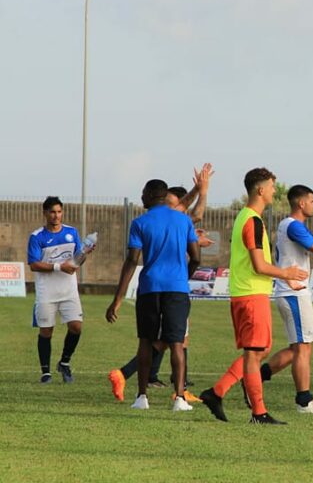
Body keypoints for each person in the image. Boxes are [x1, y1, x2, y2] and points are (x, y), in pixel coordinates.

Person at [198, 167, 308, 424]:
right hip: (250, 295)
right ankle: (257, 412)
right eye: (271, 186)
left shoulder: (245, 217)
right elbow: (259, 265)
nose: (274, 190)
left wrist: (285, 278)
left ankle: (217, 393)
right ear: (260, 190)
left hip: (248, 293)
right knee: (255, 352)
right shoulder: (252, 221)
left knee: (259, 350)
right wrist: (286, 272)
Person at [108, 164, 213, 402]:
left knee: (146, 341)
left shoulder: (140, 223)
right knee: (176, 343)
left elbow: (132, 261)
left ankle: (141, 397)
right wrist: (182, 276)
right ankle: (179, 398)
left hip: (149, 288)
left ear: (151, 195)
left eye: (143, 193)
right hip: (176, 287)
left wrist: (117, 299)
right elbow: (196, 257)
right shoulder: (182, 220)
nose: (141, 196)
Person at [258, 184, 313, 414]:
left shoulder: (292, 226)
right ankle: (304, 401)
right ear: (301, 203)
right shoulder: (294, 226)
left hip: (292, 293)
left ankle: (256, 378)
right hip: (294, 293)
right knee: (302, 349)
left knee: (296, 348)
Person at [28, 196, 96, 383]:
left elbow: (76, 261)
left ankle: (64, 363)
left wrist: (85, 253)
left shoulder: (71, 232)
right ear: (45, 213)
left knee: (76, 327)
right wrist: (59, 267)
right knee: (46, 331)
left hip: (69, 290)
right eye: (52, 212)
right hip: (46, 292)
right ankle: (45, 372)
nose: (56, 216)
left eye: (59, 212)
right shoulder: (37, 236)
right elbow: (33, 264)